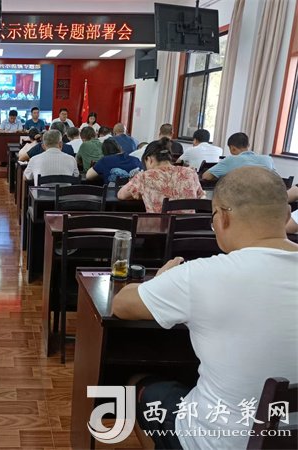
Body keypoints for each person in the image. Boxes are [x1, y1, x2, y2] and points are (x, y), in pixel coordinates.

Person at [113, 166, 298, 450]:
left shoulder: (201, 275)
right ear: (286, 216)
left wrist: (160, 281)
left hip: (214, 442)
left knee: (137, 385)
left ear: (222, 218)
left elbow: (122, 305)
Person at [118, 137, 204, 213]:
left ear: (149, 159)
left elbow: (121, 195)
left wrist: (144, 193)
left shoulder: (144, 177)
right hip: (189, 225)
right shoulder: (190, 173)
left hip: (158, 226)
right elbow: (200, 196)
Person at [203, 132, 275, 181]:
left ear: (232, 148)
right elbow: (276, 180)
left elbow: (206, 176)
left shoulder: (231, 160)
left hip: (239, 196)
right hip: (266, 197)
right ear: (248, 145)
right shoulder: (268, 159)